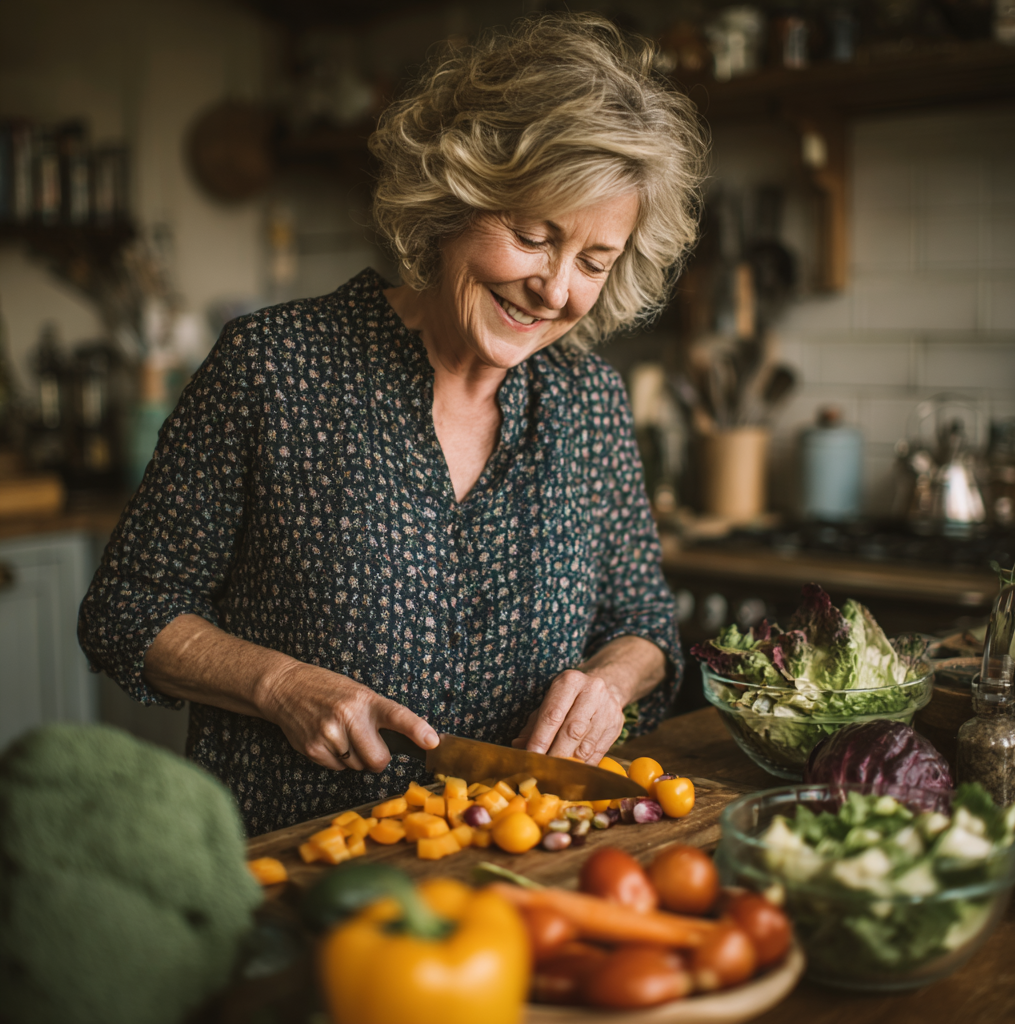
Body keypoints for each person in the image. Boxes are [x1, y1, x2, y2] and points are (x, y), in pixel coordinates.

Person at [79, 12, 706, 836]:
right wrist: (279, 686)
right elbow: (126, 608)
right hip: (293, 864)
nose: (555, 289)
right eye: (532, 237)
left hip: (516, 865)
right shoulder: (275, 367)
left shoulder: (587, 401)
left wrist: (611, 682)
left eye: (593, 261)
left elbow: (644, 626)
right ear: (457, 199)